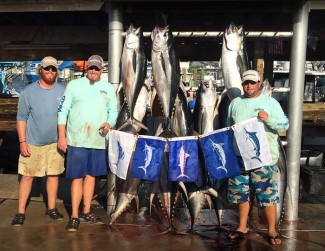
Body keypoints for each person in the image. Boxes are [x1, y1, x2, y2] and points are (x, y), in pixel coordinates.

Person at [226, 70, 289, 245]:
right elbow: (228, 127)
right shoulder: (235, 103)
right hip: (239, 158)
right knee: (240, 194)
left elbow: (285, 124)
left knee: (267, 195)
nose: (249, 85)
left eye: (252, 82)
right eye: (246, 82)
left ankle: (272, 230)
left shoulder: (271, 103)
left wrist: (269, 120)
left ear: (259, 83)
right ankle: (242, 227)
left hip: (264, 159)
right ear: (242, 84)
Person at [57, 55, 118, 232]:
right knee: (77, 178)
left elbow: (113, 111)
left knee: (92, 176)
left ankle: (86, 211)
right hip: (76, 140)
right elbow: (62, 112)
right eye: (91, 68)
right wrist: (62, 136)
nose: (93, 71)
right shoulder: (73, 85)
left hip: (98, 141)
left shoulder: (108, 88)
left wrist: (109, 123)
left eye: (96, 68)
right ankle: (74, 216)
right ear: (87, 69)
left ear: (102, 70)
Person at [12, 56, 66, 226]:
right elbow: (21, 118)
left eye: (53, 69)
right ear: (40, 70)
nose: (50, 71)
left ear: (57, 71)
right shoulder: (28, 92)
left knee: (53, 176)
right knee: (27, 177)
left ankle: (51, 208)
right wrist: (22, 142)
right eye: (47, 68)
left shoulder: (64, 90)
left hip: (55, 143)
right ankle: (20, 212)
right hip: (32, 142)